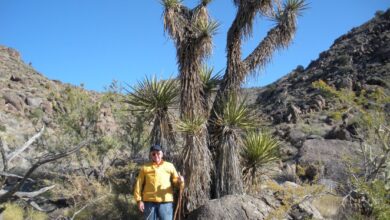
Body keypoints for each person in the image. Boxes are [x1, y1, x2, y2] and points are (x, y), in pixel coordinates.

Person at [134, 144, 184, 220]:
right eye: (153, 154)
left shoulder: (169, 166)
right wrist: (139, 200)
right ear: (151, 155)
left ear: (162, 154)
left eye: (158, 153)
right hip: (149, 202)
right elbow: (139, 184)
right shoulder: (145, 168)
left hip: (166, 202)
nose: (156, 155)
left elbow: (176, 182)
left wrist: (180, 181)